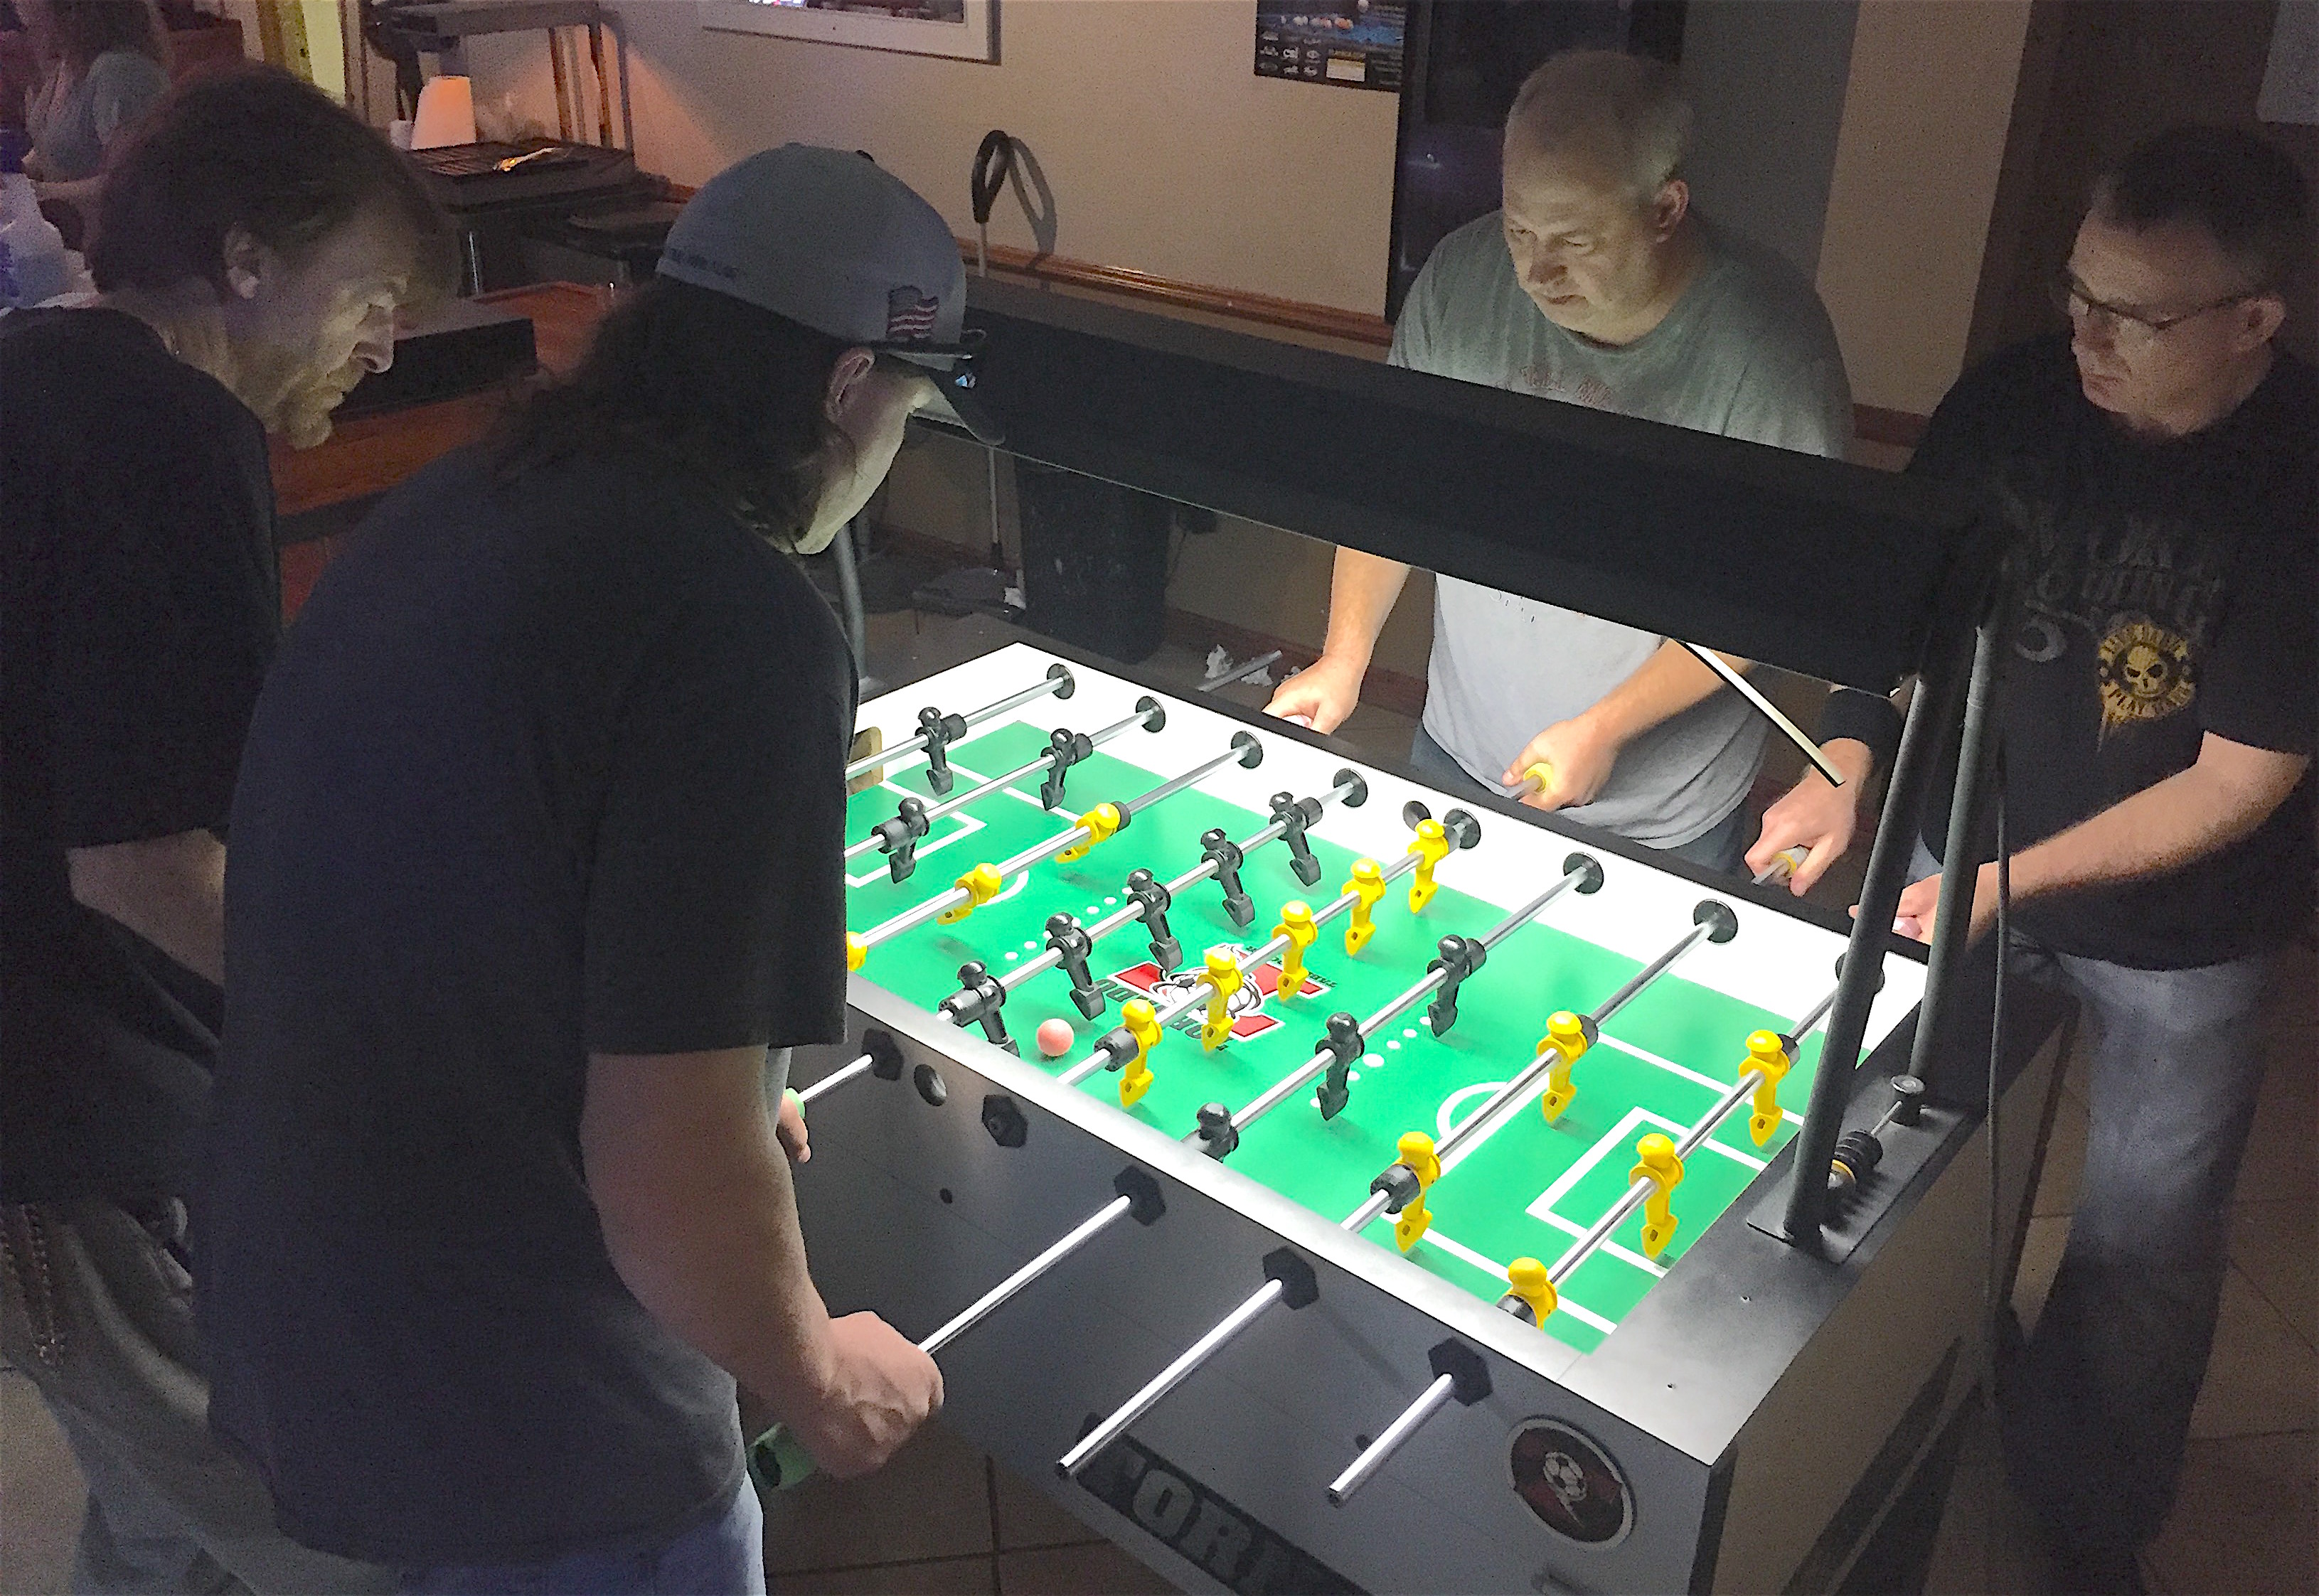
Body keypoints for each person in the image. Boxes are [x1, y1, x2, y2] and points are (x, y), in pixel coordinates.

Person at [199, 145, 993, 1596]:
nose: (894, 458)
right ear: (845, 385)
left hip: (300, 1294)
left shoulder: (474, 491)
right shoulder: (738, 618)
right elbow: (669, 1170)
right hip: (527, 1405)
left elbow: (481, 878)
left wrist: (718, 1080)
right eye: (908, 418)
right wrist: (819, 1373)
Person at [1749, 126, 2313, 1593]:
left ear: (2254, 320)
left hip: (2187, 926)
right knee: (1912, 1161)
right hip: (1967, 851)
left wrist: (2007, 884)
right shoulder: (2007, 404)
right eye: (2075, 293)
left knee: (2142, 1245)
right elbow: (1901, 613)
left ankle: (2087, 1519)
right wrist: (1847, 767)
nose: (2086, 337)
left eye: (2132, 314)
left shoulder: (2303, 480)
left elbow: (2239, 780)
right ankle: (1910, 1400)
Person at [1, 65, 445, 1596]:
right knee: (324, 1524)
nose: (386, 343)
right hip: (62, 1135)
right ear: (247, 258)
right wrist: (380, 1043)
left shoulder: (40, 369)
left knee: (150, 1518)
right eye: (370, 294)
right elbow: (138, 862)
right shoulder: (173, 431)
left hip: (57, 1114)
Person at [1265, 48, 1851, 872]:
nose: (1537, 271)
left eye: (1575, 239)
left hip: (1659, 810)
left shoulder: (1772, 355)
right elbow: (1396, 487)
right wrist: (1344, 656)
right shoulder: (1463, 283)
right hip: (1459, 750)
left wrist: (1605, 727)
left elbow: (1766, 599)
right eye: (1519, 229)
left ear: (1664, 209)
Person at [18, 1, 171, 219]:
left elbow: (138, 176)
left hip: (117, 240)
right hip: (71, 234)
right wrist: (17, 170)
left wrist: (38, 192)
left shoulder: (120, 70)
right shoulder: (67, 64)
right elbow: (55, 143)